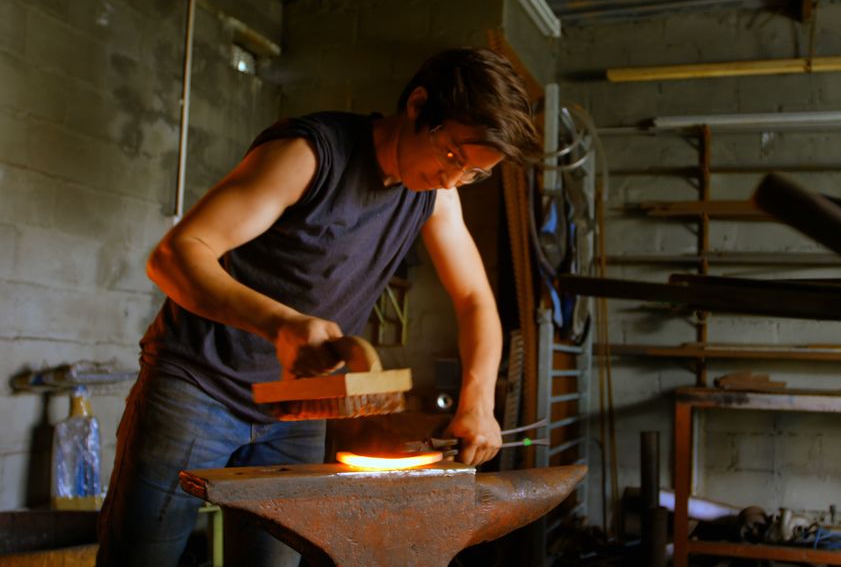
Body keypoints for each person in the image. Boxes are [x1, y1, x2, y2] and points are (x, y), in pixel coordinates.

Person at [97, 47, 541, 567]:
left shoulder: (436, 198)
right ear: (419, 105)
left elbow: (474, 300)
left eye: (472, 174)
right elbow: (175, 256)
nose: (452, 180)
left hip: (298, 408)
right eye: (451, 156)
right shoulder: (309, 154)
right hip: (199, 386)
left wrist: (477, 401)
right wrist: (281, 324)